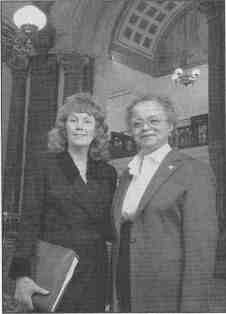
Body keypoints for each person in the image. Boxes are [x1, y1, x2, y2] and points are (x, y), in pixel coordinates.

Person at [9, 93, 117, 312]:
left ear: (97, 130)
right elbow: (29, 223)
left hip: (95, 271)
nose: (80, 127)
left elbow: (110, 226)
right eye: (73, 120)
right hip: (56, 267)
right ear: (63, 128)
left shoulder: (108, 172)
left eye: (87, 121)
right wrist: (21, 276)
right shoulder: (45, 165)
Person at [111, 94, 218, 312]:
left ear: (171, 126)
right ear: (131, 132)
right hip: (125, 284)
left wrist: (193, 308)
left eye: (154, 120)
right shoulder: (127, 174)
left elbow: (200, 250)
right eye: (137, 123)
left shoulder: (194, 171)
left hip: (166, 292)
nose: (145, 128)